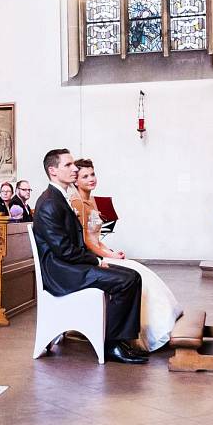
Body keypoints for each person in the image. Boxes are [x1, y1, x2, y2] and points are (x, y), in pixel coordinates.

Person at [31, 148, 147, 364]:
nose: (74, 168)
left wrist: (99, 260)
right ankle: (112, 345)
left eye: (74, 164)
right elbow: (64, 250)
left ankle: (122, 340)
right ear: (52, 170)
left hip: (70, 266)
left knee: (133, 276)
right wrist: (97, 261)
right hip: (60, 272)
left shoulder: (60, 196)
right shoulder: (49, 202)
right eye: (68, 165)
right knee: (125, 281)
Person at [72, 157, 182, 352]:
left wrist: (110, 252)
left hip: (100, 252)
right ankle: (136, 333)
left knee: (141, 271)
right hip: (90, 258)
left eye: (93, 174)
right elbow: (86, 242)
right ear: (76, 181)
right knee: (137, 275)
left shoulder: (93, 200)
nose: (91, 179)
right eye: (85, 176)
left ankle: (156, 325)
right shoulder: (77, 202)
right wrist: (108, 256)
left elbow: (97, 238)